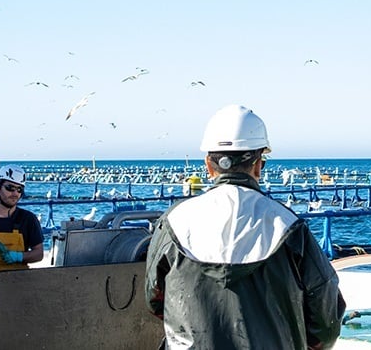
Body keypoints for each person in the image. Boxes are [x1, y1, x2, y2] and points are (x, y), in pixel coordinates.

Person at [145, 105, 346, 349]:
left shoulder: (174, 222)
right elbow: (326, 319)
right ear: (258, 165)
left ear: (209, 165)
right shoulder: (289, 226)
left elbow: (155, 298)